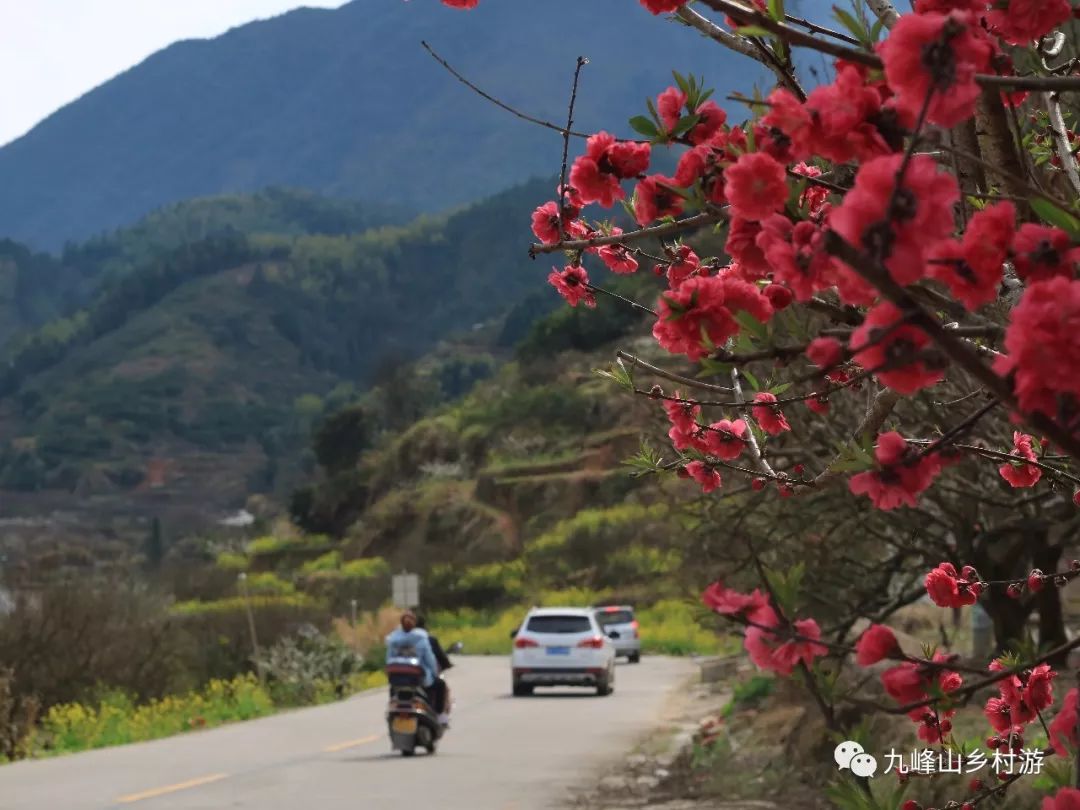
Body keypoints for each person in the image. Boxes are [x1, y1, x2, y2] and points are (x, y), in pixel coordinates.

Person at [385, 611, 449, 727]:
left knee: (393, 691)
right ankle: (440, 716)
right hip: (417, 679)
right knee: (440, 685)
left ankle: (392, 712)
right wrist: (435, 672)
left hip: (396, 678)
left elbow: (389, 659)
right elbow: (430, 659)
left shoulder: (393, 639)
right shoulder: (421, 638)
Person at [416, 615, 452, 727]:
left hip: (402, 679)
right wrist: (446, 665)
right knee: (441, 685)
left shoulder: (400, 640)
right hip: (423, 678)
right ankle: (441, 715)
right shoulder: (428, 640)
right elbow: (434, 660)